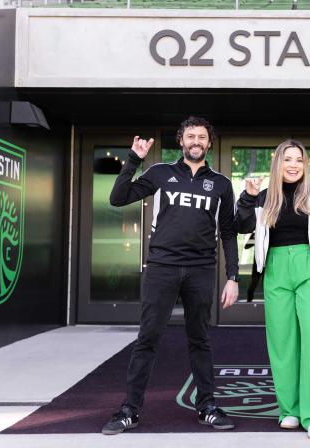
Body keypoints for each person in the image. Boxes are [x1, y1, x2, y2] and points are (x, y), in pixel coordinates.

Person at [102, 116, 239, 435]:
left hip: (201, 270)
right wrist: (134, 159)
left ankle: (207, 406)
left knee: (200, 339)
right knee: (147, 338)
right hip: (162, 267)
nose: (196, 141)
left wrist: (232, 276)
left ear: (209, 142)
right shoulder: (160, 172)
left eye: (202, 137)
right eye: (190, 136)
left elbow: (229, 232)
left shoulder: (220, 183)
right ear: (181, 140)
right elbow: (118, 197)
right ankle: (130, 410)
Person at [236, 139, 310, 440]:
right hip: (276, 269)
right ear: (277, 163)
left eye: (299, 160)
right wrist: (247, 197)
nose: (293, 165)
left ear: (306, 165)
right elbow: (240, 225)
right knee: (282, 341)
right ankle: (289, 410)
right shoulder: (265, 197)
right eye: (287, 159)